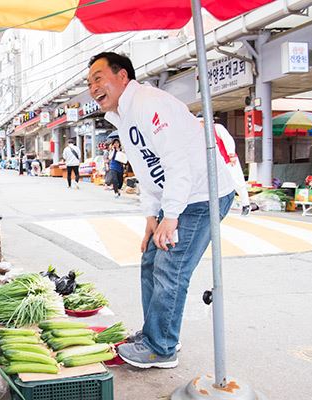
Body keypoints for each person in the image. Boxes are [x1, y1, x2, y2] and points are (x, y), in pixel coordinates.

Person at [87, 52, 234, 369]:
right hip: (178, 197)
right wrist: (152, 220)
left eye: (98, 78)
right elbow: (149, 174)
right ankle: (154, 334)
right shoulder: (124, 117)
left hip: (201, 196)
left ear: (122, 76)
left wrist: (171, 217)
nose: (93, 87)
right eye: (89, 82)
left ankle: (162, 347)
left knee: (171, 267)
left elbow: (176, 162)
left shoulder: (149, 104)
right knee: (150, 260)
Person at [207, 120, 251, 216]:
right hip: (215, 164)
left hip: (228, 161)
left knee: (237, 182)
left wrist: (231, 154)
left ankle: (246, 204)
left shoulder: (217, 128)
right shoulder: (200, 132)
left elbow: (228, 140)